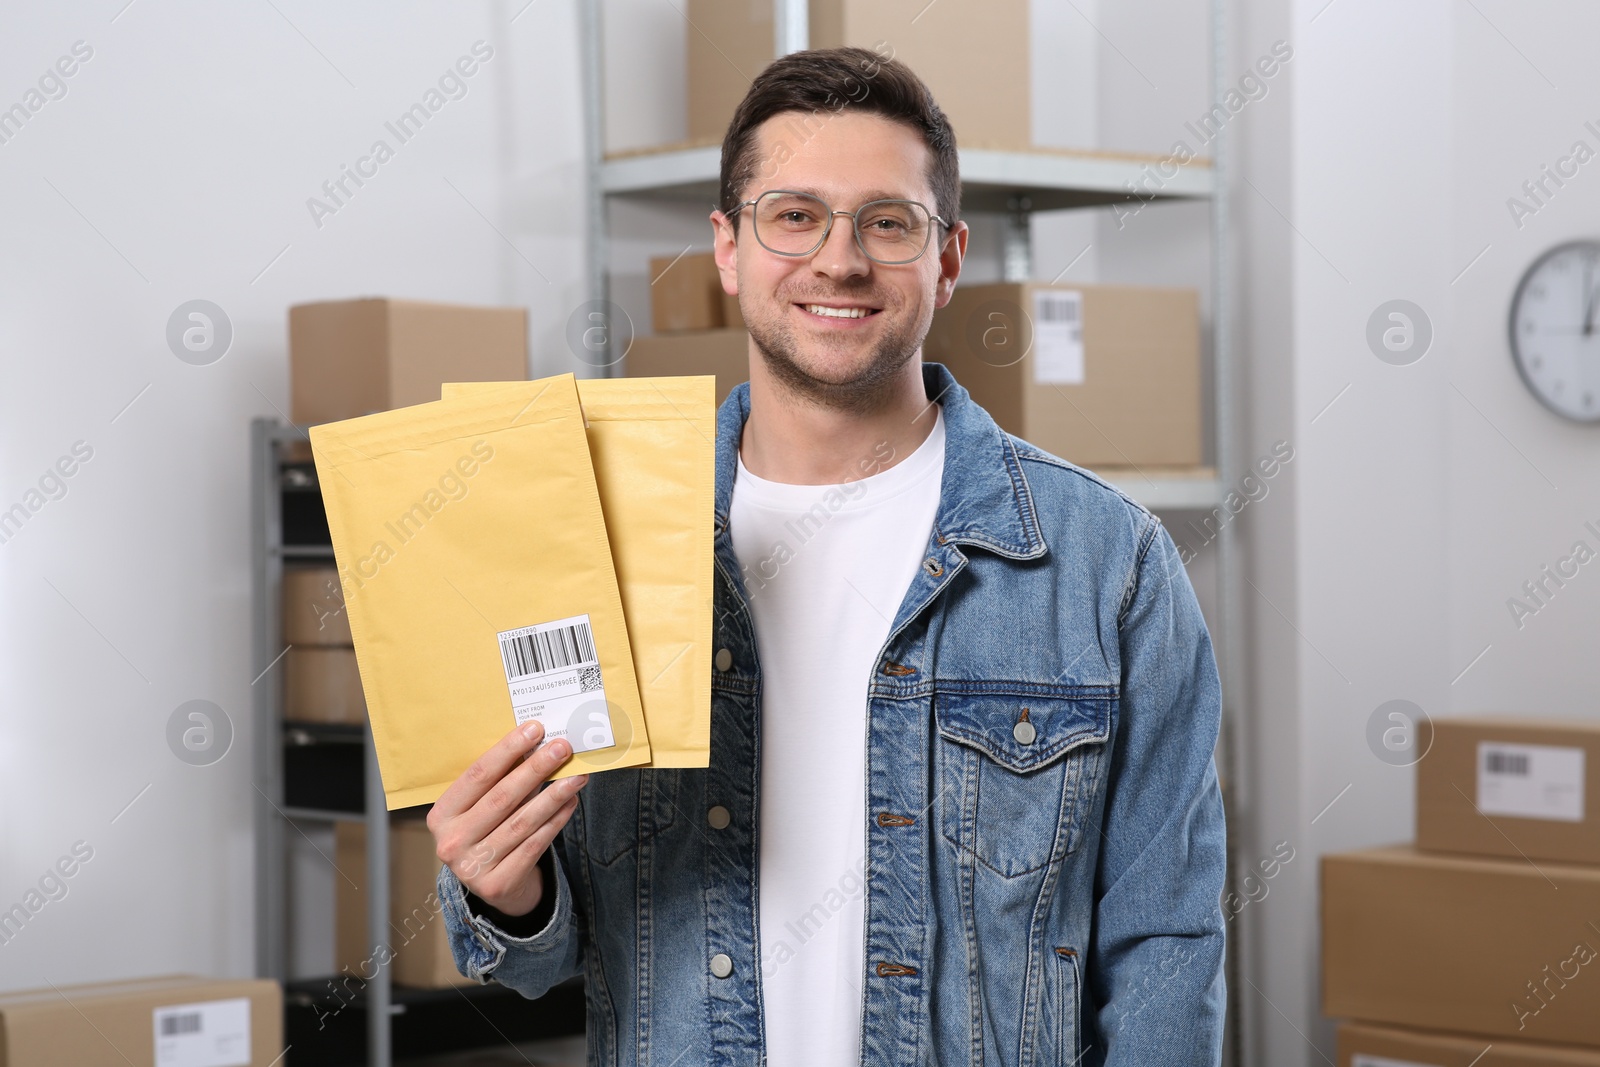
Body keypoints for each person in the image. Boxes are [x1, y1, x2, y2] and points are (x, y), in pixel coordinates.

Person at [428, 46, 1227, 1066]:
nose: (838, 260)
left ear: (946, 258)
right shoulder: (594, 542)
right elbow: (539, 961)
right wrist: (506, 885)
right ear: (726, 248)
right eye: (792, 215)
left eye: (886, 222)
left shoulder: (1104, 563)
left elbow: (1166, 945)